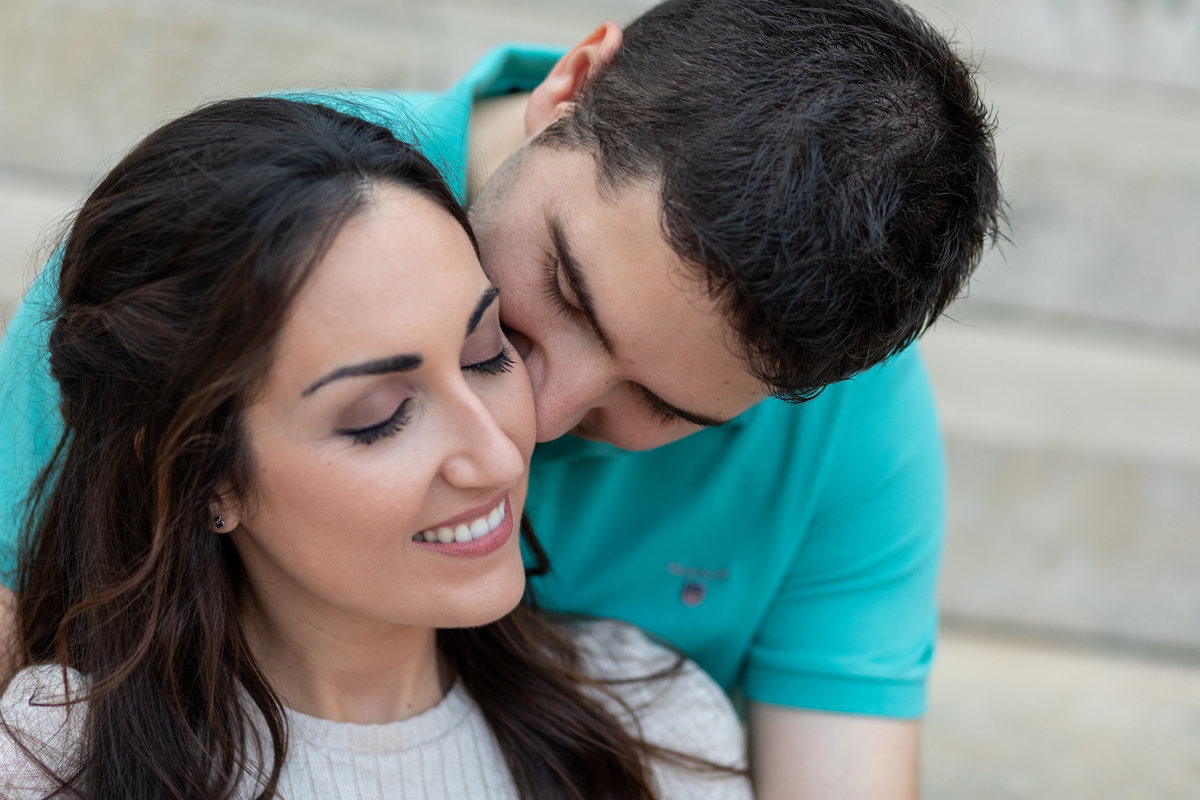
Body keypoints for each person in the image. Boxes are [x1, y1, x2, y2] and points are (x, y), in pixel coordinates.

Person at [0, 1, 1003, 796]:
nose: (534, 416)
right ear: (573, 85)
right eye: (562, 292)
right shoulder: (211, 247)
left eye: (664, 408)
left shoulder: (845, 424)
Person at [0, 97, 751, 799]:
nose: (498, 457)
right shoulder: (51, 761)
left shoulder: (654, 727)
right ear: (207, 479)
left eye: (489, 352)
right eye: (380, 415)